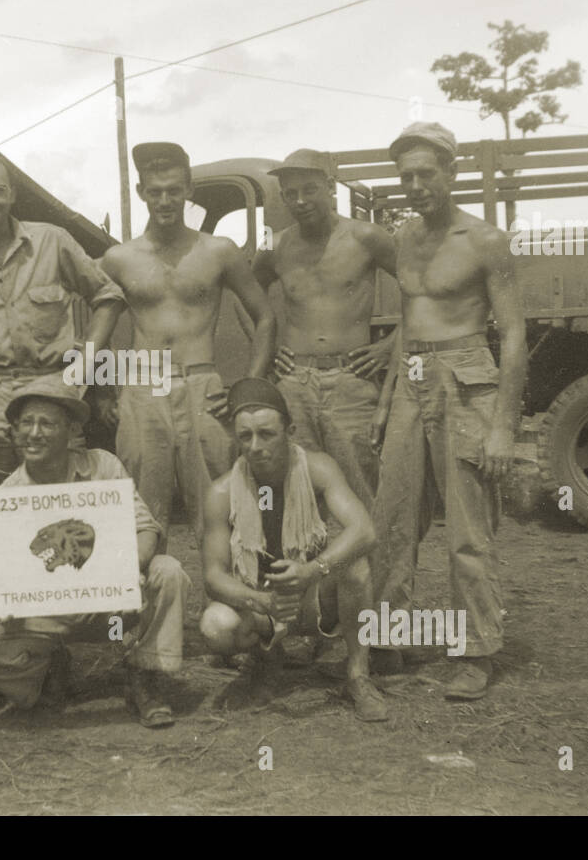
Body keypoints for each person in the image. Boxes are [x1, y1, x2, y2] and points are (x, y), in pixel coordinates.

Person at [369, 122, 528, 700]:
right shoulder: (404, 238)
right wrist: (389, 398)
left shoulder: (485, 240)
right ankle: (387, 636)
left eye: (425, 174)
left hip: (465, 379)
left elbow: (512, 335)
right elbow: (408, 324)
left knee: (467, 528)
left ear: (452, 173)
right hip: (411, 377)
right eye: (405, 176)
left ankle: (477, 652)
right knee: (392, 517)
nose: (414, 185)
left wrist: (504, 427)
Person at [0, 376, 189, 728]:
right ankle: (49, 670)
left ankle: (143, 675)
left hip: (111, 607)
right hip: (50, 614)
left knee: (168, 571)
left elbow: (146, 529)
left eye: (47, 423)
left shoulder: (102, 466)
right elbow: (1, 572)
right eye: (26, 423)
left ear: (70, 431)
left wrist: (127, 569)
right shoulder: (9, 493)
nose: (34, 433)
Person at [99, 142, 277, 541]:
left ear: (188, 190)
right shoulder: (119, 258)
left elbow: (265, 316)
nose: (165, 200)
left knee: (219, 514)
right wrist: (103, 392)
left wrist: (249, 387)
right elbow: (96, 328)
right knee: (141, 517)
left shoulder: (219, 251)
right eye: (156, 191)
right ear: (141, 193)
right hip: (144, 390)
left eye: (174, 190)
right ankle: (149, 601)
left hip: (203, 388)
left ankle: (227, 603)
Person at [0, 151, 125, 496]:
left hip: (51, 393)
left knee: (62, 499)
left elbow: (108, 297)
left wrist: (86, 362)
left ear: (12, 193)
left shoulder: (52, 241)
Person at [198, 378, 387, 721]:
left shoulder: (317, 467)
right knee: (215, 624)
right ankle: (266, 658)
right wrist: (261, 600)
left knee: (356, 568)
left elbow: (364, 530)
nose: (255, 446)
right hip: (261, 599)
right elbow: (213, 576)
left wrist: (312, 572)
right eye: (245, 436)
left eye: (267, 434)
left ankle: (358, 675)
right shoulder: (221, 492)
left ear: (290, 430)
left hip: (313, 591)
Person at [253, 149, 398, 503]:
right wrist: (268, 349)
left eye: (310, 189)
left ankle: (368, 560)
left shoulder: (367, 237)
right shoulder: (275, 246)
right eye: (290, 194)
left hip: (351, 382)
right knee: (298, 496)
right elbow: (251, 301)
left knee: (362, 492)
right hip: (294, 385)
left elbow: (423, 294)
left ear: (330, 187)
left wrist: (389, 344)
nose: (300, 201)